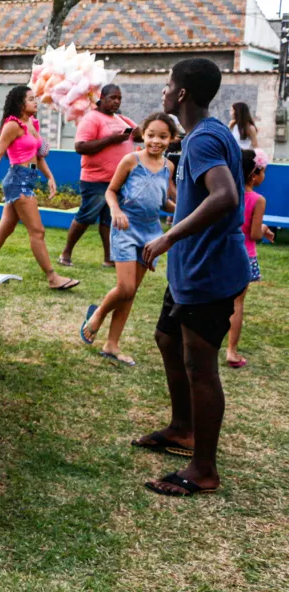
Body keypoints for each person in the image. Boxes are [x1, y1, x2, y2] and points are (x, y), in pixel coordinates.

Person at [136, 58, 249, 498]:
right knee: (167, 339)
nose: (164, 92)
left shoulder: (204, 139)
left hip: (208, 272)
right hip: (190, 270)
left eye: (168, 85)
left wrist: (168, 239)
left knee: (200, 368)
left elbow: (225, 197)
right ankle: (182, 428)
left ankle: (204, 470)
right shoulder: (207, 134)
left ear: (181, 94)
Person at [80, 113, 178, 365]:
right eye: (151, 135)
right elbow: (111, 192)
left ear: (172, 139)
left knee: (131, 292)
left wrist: (180, 210)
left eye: (163, 136)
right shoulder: (130, 160)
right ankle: (98, 313)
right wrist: (115, 210)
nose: (156, 141)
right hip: (124, 227)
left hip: (150, 234)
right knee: (125, 287)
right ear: (143, 135)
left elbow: (162, 201)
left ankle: (112, 344)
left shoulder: (168, 167)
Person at [0, 85, 80, 290]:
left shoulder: (32, 123)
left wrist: (50, 177)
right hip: (18, 181)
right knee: (37, 231)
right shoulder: (12, 126)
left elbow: (37, 157)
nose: (36, 102)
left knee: (4, 229)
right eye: (30, 99)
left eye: (35, 98)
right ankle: (52, 277)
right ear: (20, 103)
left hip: (28, 178)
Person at [59, 85, 136, 267]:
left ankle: (109, 258)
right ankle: (66, 253)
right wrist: (111, 139)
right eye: (113, 97)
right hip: (96, 180)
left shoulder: (121, 119)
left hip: (116, 180)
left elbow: (138, 134)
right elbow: (80, 147)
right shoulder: (92, 118)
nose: (116, 101)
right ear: (102, 98)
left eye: (119, 98)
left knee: (109, 220)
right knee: (86, 217)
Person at [225, 149, 273, 368]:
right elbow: (253, 234)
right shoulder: (257, 200)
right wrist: (262, 228)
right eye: (264, 172)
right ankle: (232, 351)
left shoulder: (227, 194)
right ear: (255, 174)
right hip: (244, 257)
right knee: (237, 303)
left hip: (223, 253)